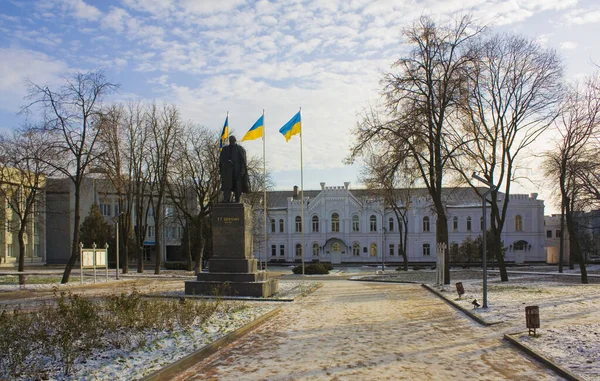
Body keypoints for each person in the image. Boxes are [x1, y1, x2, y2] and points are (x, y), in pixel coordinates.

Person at [219, 135, 250, 202]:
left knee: (237, 185)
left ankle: (237, 199)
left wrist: (242, 171)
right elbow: (221, 161)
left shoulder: (240, 149)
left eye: (233, 140)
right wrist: (222, 170)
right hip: (228, 171)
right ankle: (226, 199)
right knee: (227, 186)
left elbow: (243, 161)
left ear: (235, 141)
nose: (231, 142)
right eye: (230, 141)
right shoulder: (225, 149)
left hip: (237, 170)